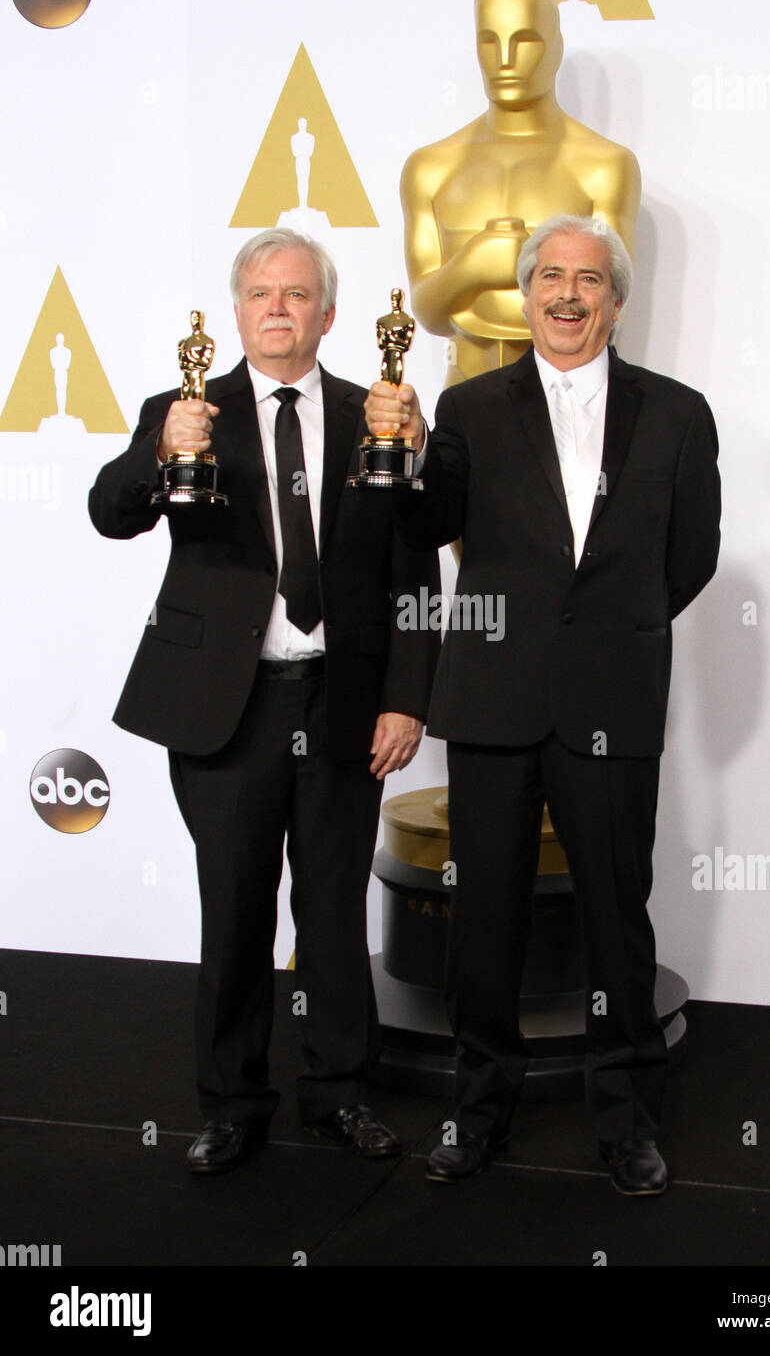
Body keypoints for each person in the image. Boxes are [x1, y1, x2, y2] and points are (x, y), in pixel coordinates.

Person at [364, 213, 720, 1195]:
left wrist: (614, 633)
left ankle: (624, 1119)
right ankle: (477, 1111)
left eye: (589, 279)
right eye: (550, 277)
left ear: (616, 300)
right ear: (525, 295)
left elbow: (686, 557)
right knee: (483, 922)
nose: (567, 294)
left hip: (611, 701)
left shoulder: (677, 414)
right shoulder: (469, 407)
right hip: (490, 702)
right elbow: (430, 525)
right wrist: (398, 456)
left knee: (616, 920)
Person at [89, 228, 440, 1174]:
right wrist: (160, 451)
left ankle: (338, 1094)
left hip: (344, 703)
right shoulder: (185, 407)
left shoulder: (385, 413)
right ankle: (231, 1103)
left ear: (328, 314)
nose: (277, 307)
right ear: (237, 313)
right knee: (234, 908)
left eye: (296, 294)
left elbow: (418, 564)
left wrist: (408, 697)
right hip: (226, 708)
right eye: (260, 294)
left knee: (332, 912)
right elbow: (111, 511)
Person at [401, 0, 640, 384]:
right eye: (489, 43)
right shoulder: (430, 167)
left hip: (572, 395)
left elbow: (611, 307)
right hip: (464, 396)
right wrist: (472, 268)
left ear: (557, 48)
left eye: (525, 41)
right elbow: (425, 310)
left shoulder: (606, 166)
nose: (505, 60)